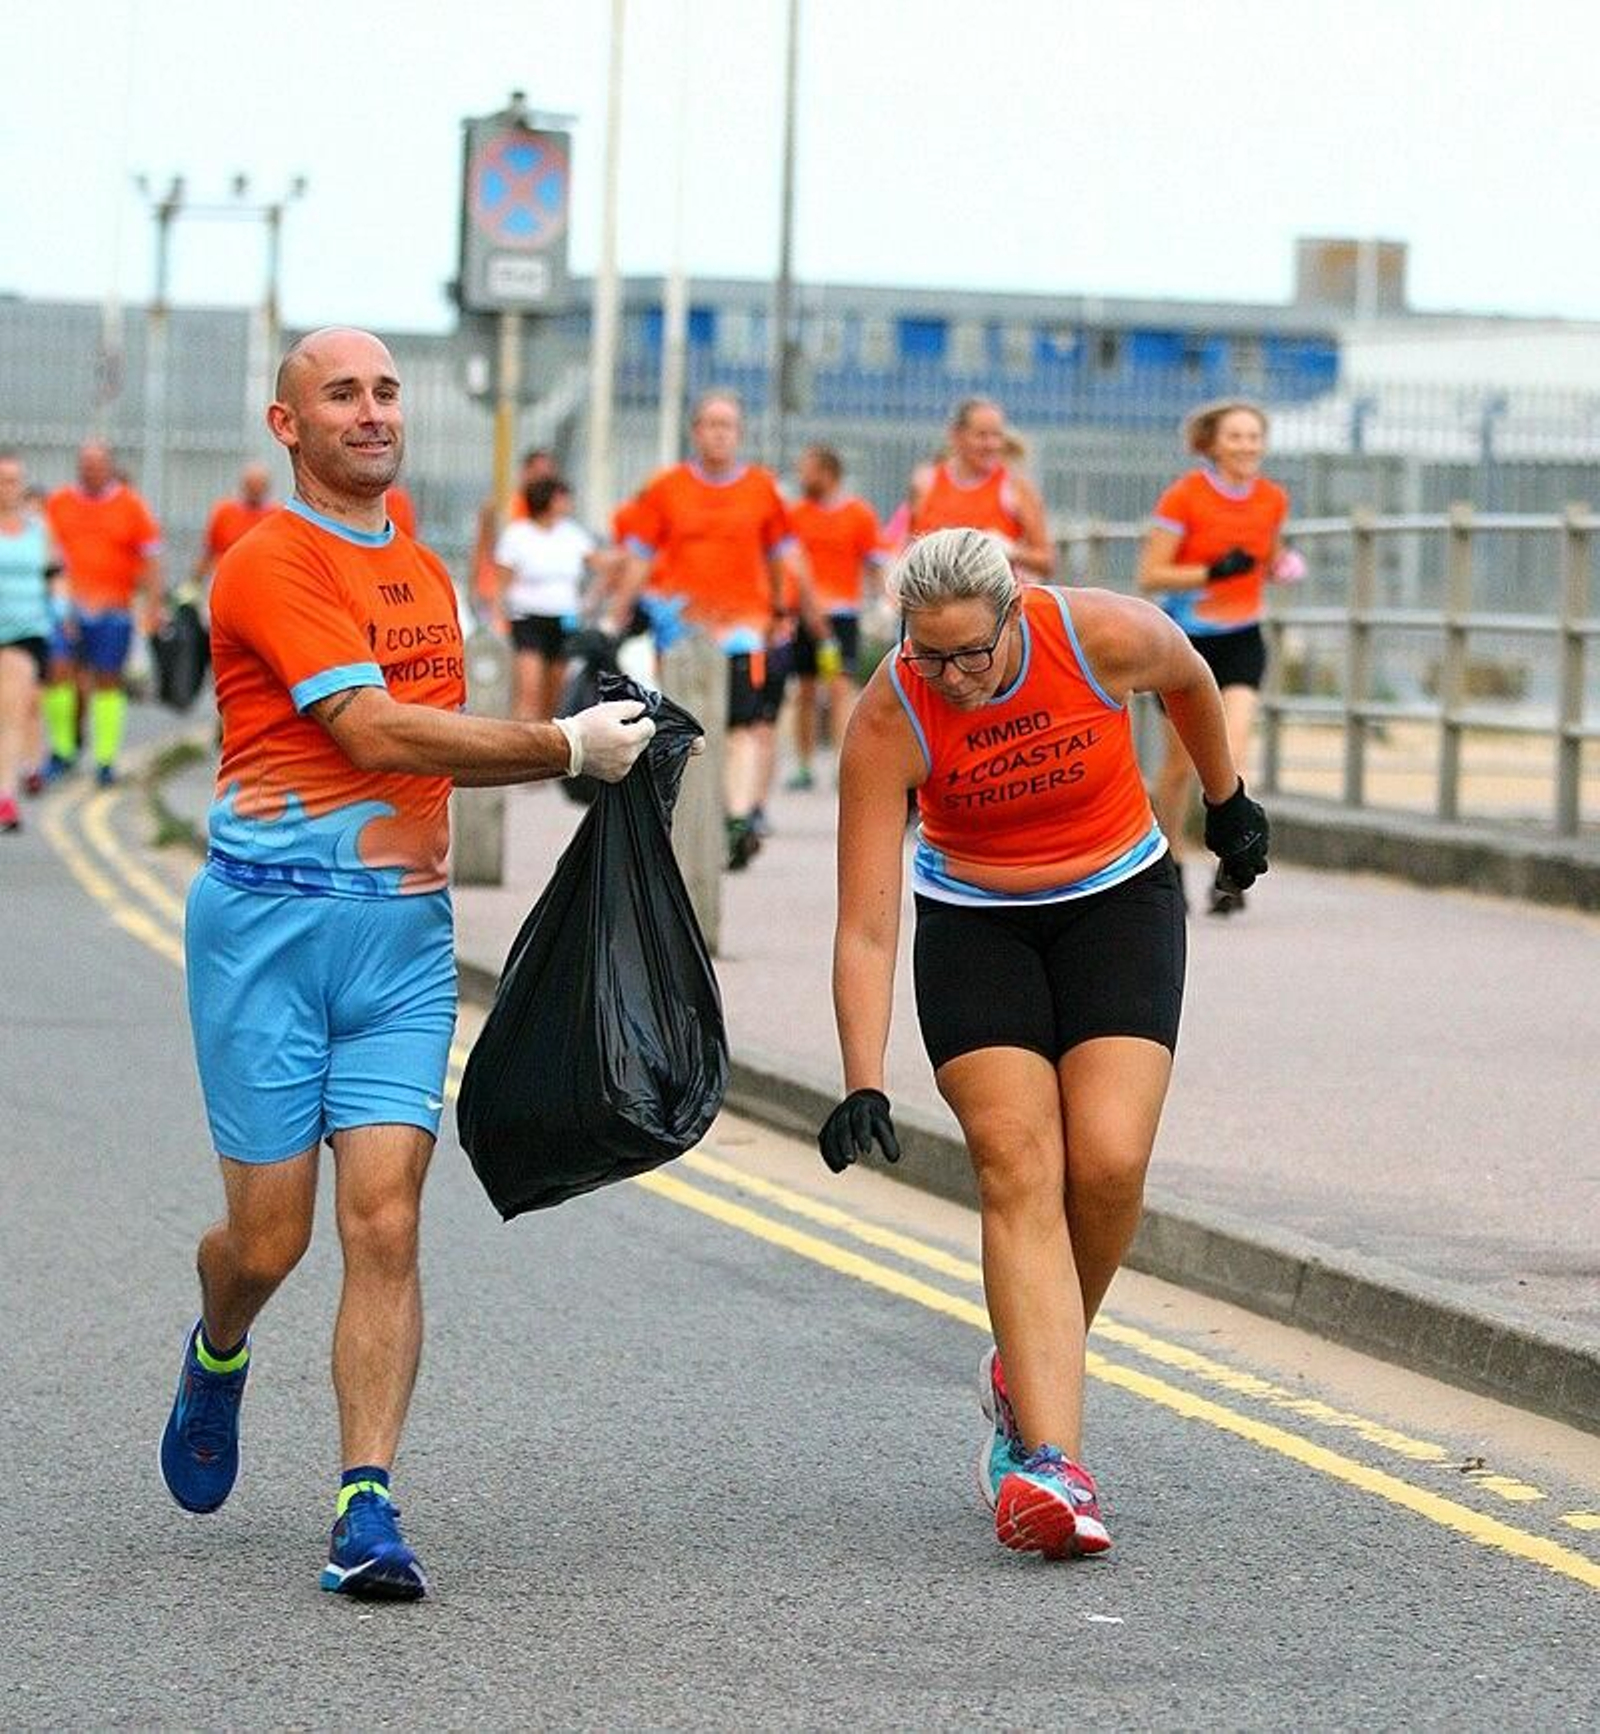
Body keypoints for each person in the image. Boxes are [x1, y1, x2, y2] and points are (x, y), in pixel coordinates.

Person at [157, 327, 657, 1602]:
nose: (372, 412)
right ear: (289, 427)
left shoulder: (430, 570)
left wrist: (606, 769)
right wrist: (561, 744)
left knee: (384, 1221)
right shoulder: (265, 563)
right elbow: (372, 731)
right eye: (342, 395)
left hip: (401, 941)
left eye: (385, 391)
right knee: (267, 1244)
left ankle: (364, 1504)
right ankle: (219, 1347)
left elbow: (437, 741)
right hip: (267, 934)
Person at [820, 527, 1268, 1560]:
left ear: (1014, 612)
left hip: (1117, 900)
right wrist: (860, 1078)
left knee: (1108, 1162)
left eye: (971, 654)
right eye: (928, 654)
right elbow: (865, 921)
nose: (953, 678)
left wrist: (1225, 797)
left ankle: (1025, 1368)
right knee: (1017, 1165)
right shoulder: (891, 712)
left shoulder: (1101, 633)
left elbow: (1193, 678)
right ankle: (1048, 1458)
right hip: (975, 924)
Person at [623, 391, 820, 868]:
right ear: (695, 431)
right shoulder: (667, 488)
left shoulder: (762, 489)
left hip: (744, 629)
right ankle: (686, 823)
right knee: (682, 729)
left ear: (739, 433)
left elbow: (783, 557)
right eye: (710, 424)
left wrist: (784, 612)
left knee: (742, 726)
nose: (718, 433)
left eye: (727, 425)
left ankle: (735, 819)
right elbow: (639, 557)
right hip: (681, 632)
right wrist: (617, 614)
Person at [1136, 399, 1290, 915]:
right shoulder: (1185, 497)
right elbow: (1151, 574)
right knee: (1179, 769)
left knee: (1234, 755)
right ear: (1213, 443)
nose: (1247, 446)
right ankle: (1169, 861)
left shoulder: (1272, 499)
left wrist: (1281, 564)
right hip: (1184, 643)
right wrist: (1210, 573)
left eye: (1254, 437)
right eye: (1236, 437)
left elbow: (1267, 556)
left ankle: (1232, 867)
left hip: (1242, 638)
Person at [43, 441, 163, 785]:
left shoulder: (131, 505)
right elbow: (48, 553)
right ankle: (63, 751)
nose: (90, 470)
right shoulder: (59, 503)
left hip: (115, 610)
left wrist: (153, 607)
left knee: (108, 681)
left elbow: (152, 558)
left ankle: (105, 759)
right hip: (68, 608)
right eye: (85, 464)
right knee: (59, 672)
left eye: (97, 464)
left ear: (109, 466)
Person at [784, 444, 883, 790]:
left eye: (807, 469)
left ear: (827, 473)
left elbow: (873, 561)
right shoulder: (795, 515)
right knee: (805, 691)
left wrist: (882, 603)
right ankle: (805, 765)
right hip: (804, 617)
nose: (801, 476)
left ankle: (846, 764)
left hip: (842, 616)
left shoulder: (858, 515)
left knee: (840, 688)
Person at [907, 399, 1055, 579]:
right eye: (981, 435)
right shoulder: (926, 481)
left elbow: (1047, 562)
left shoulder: (1015, 487)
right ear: (956, 436)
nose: (991, 444)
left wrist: (1010, 550)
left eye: (997, 435)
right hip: (934, 601)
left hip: (992, 603)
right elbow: (908, 547)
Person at [493, 474, 597, 723]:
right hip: (528, 618)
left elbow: (599, 563)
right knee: (529, 688)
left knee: (556, 692)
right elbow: (502, 581)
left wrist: (593, 597)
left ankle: (547, 746)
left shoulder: (572, 534)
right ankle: (521, 745)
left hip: (564, 618)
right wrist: (497, 615)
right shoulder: (518, 534)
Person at [0, 453, 61, 830]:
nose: (8, 488)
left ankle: (5, 794)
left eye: (13, 480)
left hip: (27, 632)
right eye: (2, 480)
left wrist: (63, 611)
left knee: (16, 708)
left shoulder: (39, 529)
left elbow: (54, 574)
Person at [469, 447, 556, 625]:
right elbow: (482, 547)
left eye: (548, 476)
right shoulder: (502, 507)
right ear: (525, 472)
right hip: (495, 591)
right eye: (538, 473)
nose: (543, 481)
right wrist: (474, 587)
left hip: (534, 597)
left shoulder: (553, 515)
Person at [193, 462, 277, 592]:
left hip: (261, 582)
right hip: (224, 580)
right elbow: (209, 551)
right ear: (243, 486)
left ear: (266, 488)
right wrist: (194, 584)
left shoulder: (275, 516)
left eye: (259, 486)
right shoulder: (224, 512)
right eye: (251, 485)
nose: (255, 490)